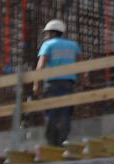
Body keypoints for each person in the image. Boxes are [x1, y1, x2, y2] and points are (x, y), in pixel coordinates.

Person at [36, 19, 82, 147]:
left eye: (47, 33)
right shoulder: (73, 45)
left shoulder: (48, 45)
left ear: (52, 33)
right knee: (65, 113)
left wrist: (36, 84)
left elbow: (40, 66)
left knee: (51, 114)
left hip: (52, 84)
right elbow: (81, 65)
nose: (46, 36)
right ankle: (63, 142)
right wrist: (82, 81)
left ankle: (52, 144)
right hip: (68, 84)